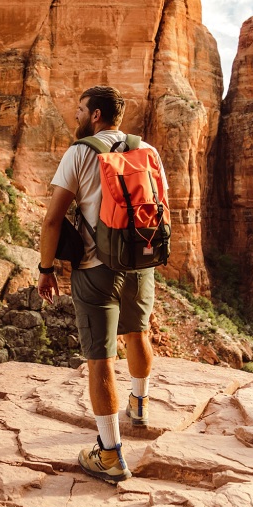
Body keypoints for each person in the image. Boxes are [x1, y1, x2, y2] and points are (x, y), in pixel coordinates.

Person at [37, 85, 167, 484]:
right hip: (140, 261)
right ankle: (140, 404)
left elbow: (53, 220)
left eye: (79, 110)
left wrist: (46, 268)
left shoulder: (80, 152)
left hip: (96, 269)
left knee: (100, 359)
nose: (76, 116)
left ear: (95, 115)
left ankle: (109, 455)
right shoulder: (147, 150)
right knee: (138, 332)